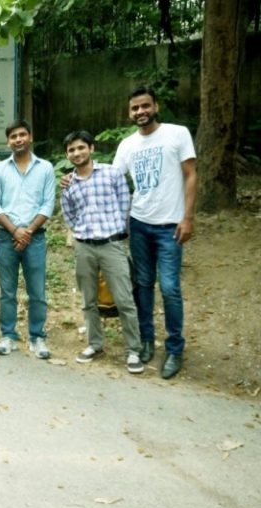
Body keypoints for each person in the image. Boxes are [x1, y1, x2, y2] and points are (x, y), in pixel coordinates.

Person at [113, 86, 197, 379]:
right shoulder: (126, 145)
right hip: (139, 223)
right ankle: (147, 339)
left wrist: (187, 218)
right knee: (144, 284)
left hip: (170, 226)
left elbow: (191, 174)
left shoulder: (177, 134)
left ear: (156, 107)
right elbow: (113, 180)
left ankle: (174, 348)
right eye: (135, 108)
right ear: (129, 112)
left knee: (170, 288)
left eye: (145, 106)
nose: (140, 112)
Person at [61, 131, 143, 374]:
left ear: (91, 148)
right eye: (71, 150)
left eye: (80, 148)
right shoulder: (68, 183)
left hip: (111, 245)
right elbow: (69, 214)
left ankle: (133, 350)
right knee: (89, 300)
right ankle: (95, 345)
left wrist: (117, 232)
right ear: (68, 155)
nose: (76, 153)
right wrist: (78, 234)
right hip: (84, 247)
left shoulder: (111, 173)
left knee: (124, 299)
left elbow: (123, 203)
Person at [0, 120, 55, 359]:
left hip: (35, 239)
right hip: (7, 238)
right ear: (8, 141)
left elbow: (48, 204)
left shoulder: (45, 168)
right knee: (7, 291)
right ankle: (8, 335)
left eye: (22, 135)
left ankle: (37, 337)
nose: (18, 139)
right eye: (13, 136)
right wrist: (16, 231)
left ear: (30, 137)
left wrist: (27, 232)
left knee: (37, 291)